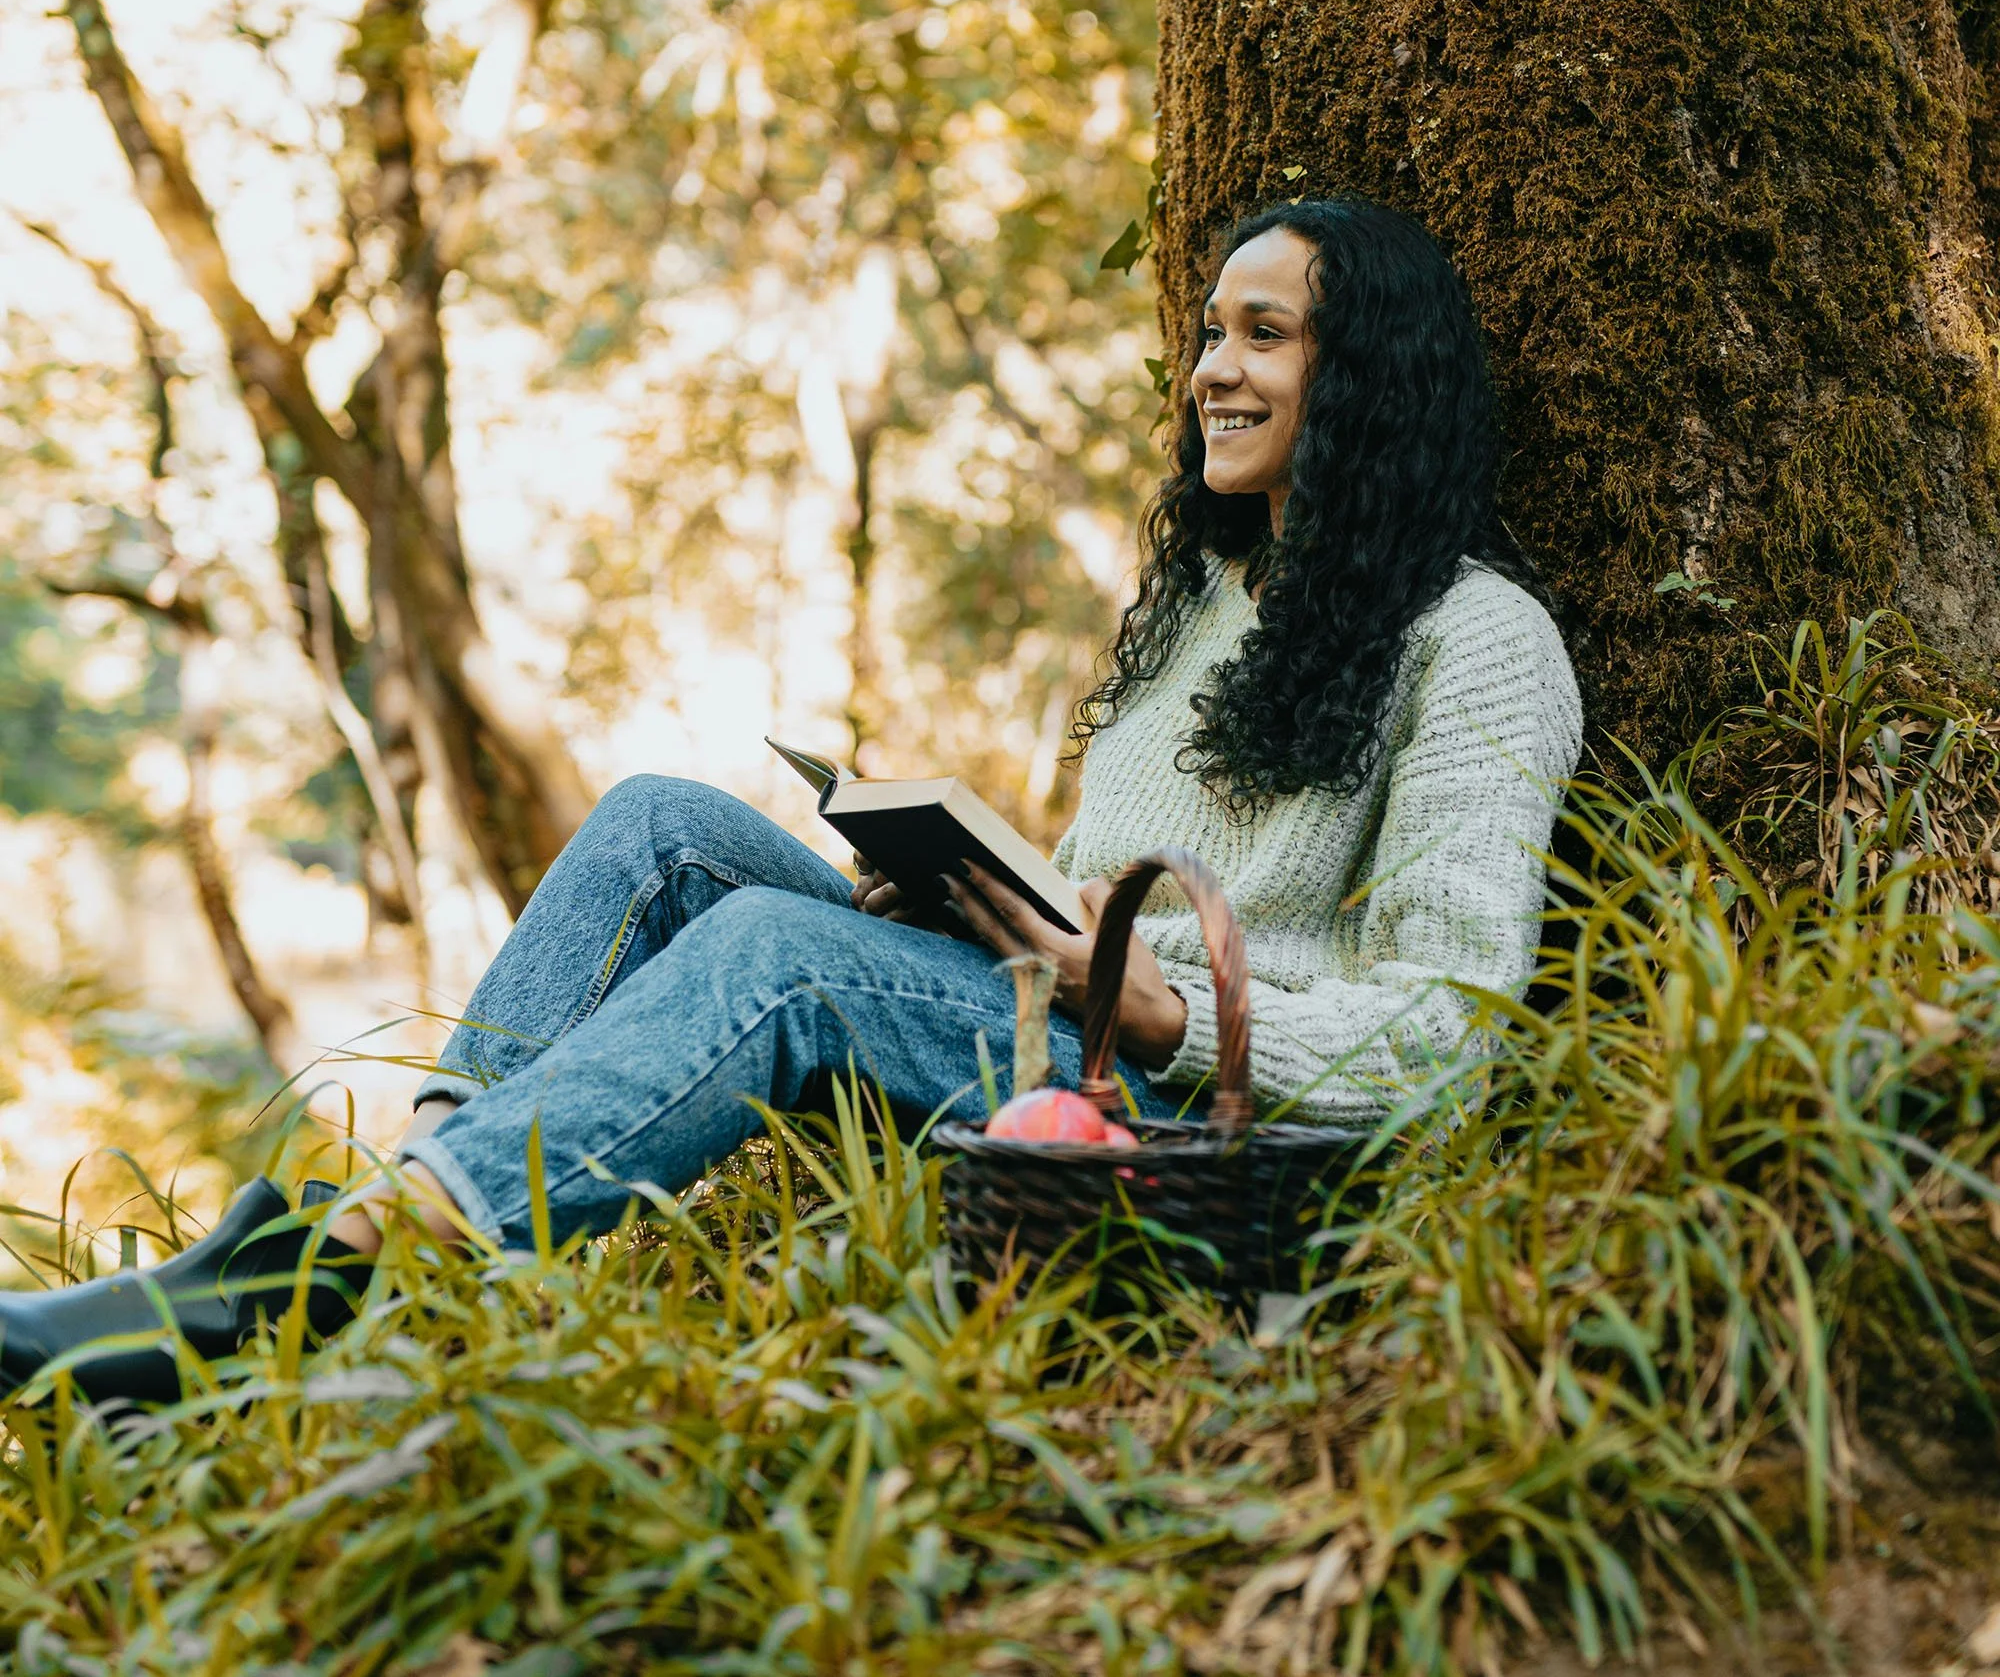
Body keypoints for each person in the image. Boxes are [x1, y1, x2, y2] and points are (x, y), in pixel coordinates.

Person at [0, 196, 1582, 1403]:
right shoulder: (1206, 607)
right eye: (1210, 332)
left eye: (1265, 334)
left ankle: (311, 1283)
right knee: (660, 825)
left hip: (1183, 1106)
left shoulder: (1481, 642)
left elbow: (1450, 1033)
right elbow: (1093, 893)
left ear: (1365, 374)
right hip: (1049, 1013)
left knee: (778, 954)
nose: (1212, 370)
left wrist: (1169, 1017)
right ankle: (406, 1226)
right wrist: (954, 888)